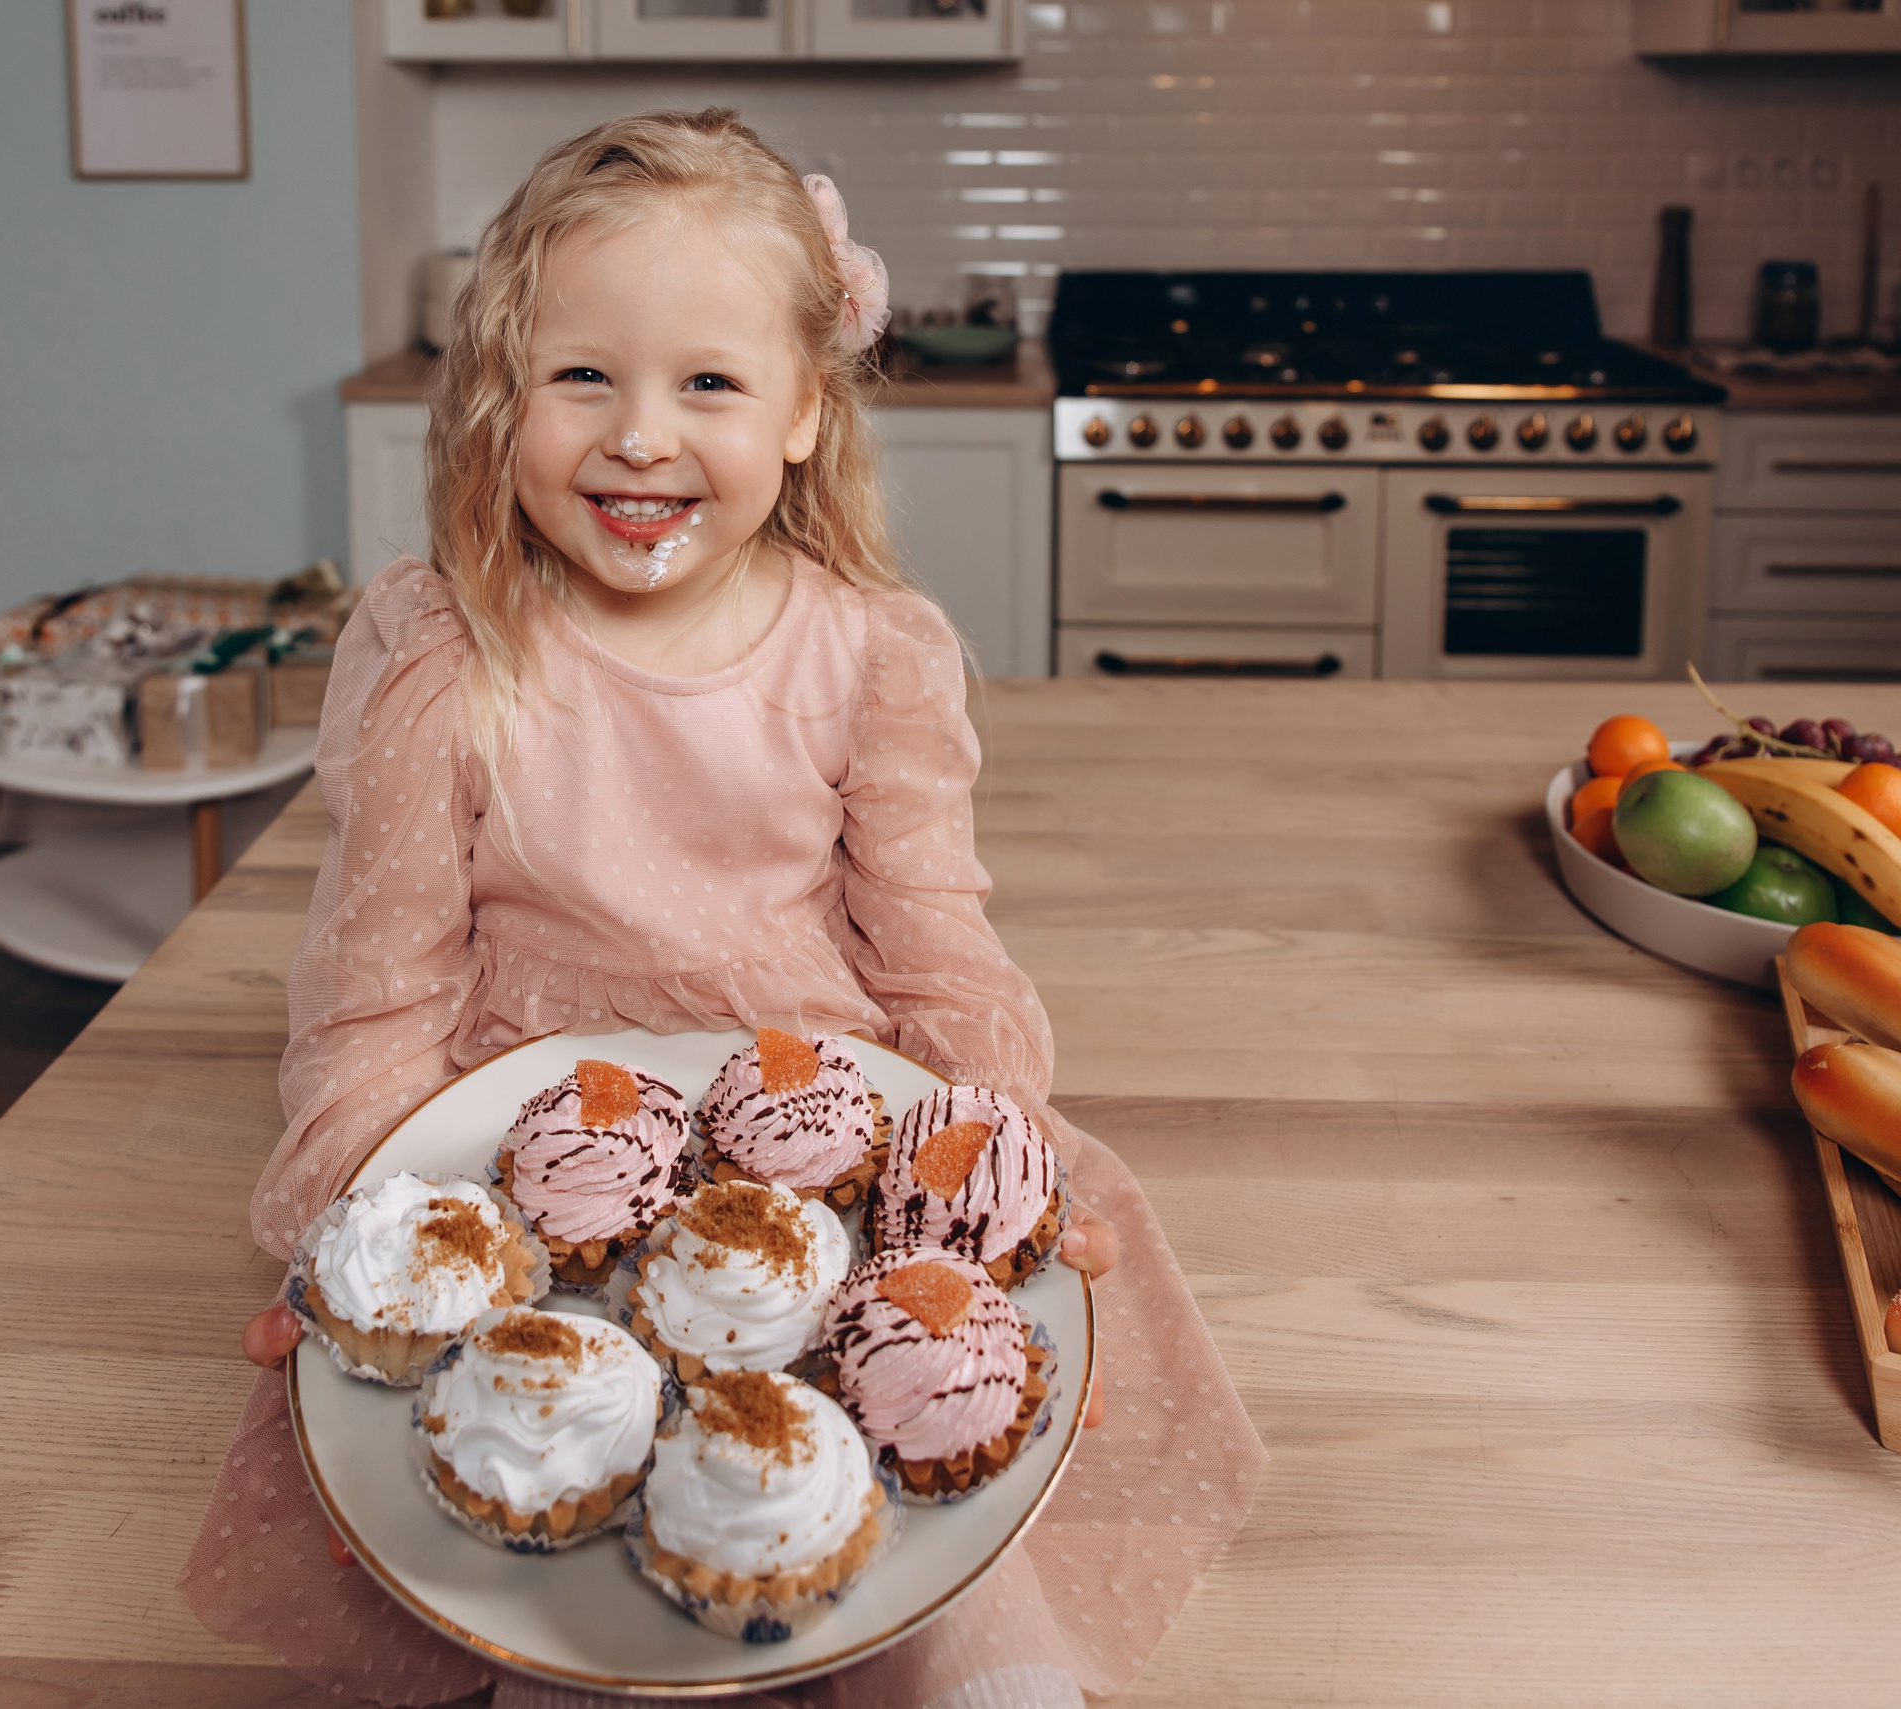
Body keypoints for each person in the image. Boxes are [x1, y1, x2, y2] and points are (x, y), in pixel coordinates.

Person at [185, 108, 1260, 1708]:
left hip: (819, 1124)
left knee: (908, 1496)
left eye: (707, 381)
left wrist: (995, 1185)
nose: (638, 436)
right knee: (554, 1534)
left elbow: (935, 934)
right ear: (500, 398)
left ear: (809, 413)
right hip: (531, 1154)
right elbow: (374, 999)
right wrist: (359, 1237)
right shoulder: (445, 659)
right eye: (581, 377)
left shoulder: (869, 652)